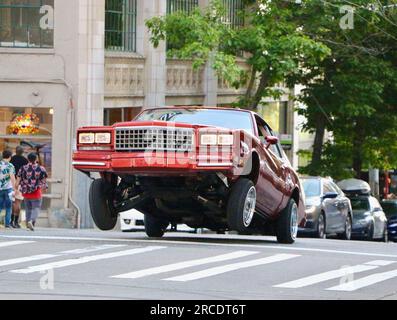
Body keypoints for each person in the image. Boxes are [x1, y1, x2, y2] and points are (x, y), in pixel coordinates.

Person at [16, 152, 48, 231]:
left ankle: (27, 223)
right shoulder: (41, 168)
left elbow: (18, 178)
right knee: (36, 207)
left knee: (28, 208)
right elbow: (43, 180)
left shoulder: (23, 168)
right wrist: (45, 187)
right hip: (36, 191)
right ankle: (32, 221)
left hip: (25, 191)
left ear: (28, 159)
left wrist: (16, 186)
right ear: (36, 159)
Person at [10, 146, 28, 228]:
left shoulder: (12, 159)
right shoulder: (25, 160)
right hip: (20, 183)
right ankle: (16, 221)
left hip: (10, 182)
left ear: (15, 151)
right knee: (18, 202)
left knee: (12, 202)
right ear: (22, 152)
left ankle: (10, 220)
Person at [0, 150, 16, 229]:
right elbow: (12, 178)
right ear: (10, 157)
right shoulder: (10, 166)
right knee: (9, 207)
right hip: (8, 189)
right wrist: (15, 189)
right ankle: (7, 224)